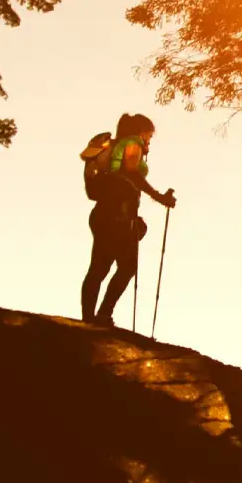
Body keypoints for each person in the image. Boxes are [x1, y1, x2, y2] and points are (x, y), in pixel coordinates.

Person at [80, 113, 175, 326]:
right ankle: (103, 315)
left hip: (103, 212)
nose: (149, 141)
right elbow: (132, 173)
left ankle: (88, 318)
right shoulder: (133, 143)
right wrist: (159, 196)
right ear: (142, 131)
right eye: (149, 135)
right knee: (127, 265)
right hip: (117, 215)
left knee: (99, 267)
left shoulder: (117, 146)